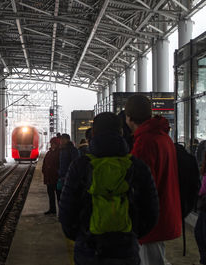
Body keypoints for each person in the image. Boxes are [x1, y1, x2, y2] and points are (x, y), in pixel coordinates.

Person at [59, 112, 159, 265]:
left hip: (89, 249)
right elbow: (151, 211)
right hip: (125, 250)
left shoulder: (80, 166)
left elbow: (66, 210)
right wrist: (132, 233)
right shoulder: (136, 166)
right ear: (120, 132)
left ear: (93, 133)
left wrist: (81, 235)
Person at [125, 95, 181, 265]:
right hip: (164, 211)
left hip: (150, 219)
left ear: (129, 117)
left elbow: (141, 187)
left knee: (150, 260)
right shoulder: (163, 137)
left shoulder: (145, 142)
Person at [42, 137, 60, 215]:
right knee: (51, 195)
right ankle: (52, 209)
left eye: (54, 144)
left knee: (59, 196)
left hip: (56, 178)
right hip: (49, 178)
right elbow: (44, 163)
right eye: (52, 144)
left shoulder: (60, 153)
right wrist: (44, 172)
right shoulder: (49, 153)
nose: (52, 145)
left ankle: (61, 212)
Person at [195, 152, 206, 265]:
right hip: (204, 205)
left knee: (200, 233)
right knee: (199, 232)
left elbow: (202, 189)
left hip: (204, 204)